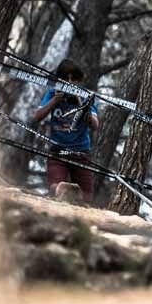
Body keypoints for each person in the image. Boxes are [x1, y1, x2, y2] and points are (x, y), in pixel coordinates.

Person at [31, 59, 99, 203]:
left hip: (81, 152)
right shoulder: (52, 93)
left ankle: (73, 196)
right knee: (55, 188)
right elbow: (36, 117)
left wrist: (81, 104)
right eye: (65, 79)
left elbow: (94, 125)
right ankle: (65, 191)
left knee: (87, 196)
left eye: (73, 79)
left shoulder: (86, 97)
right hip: (57, 151)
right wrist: (54, 101)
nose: (69, 83)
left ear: (79, 80)